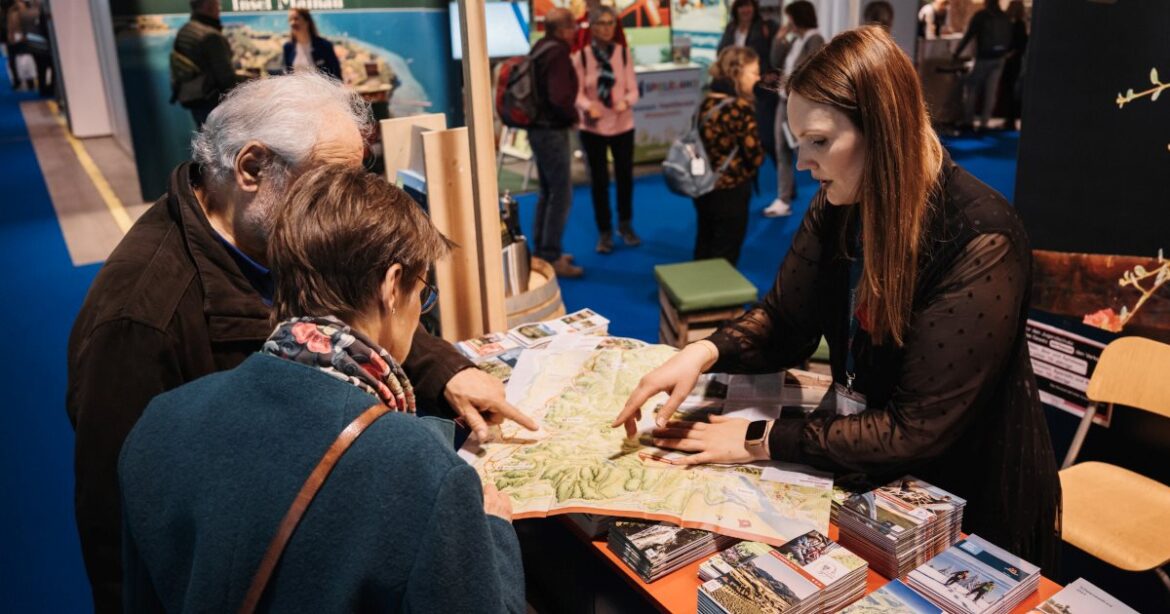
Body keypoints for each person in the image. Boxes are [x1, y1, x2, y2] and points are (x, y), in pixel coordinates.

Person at [67, 72, 537, 614]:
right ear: (251, 168)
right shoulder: (139, 317)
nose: (348, 200)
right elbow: (118, 532)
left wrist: (443, 368)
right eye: (330, 180)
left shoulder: (268, 234)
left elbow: (344, 306)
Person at [612, 27, 1061, 572]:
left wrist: (760, 438)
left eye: (819, 141)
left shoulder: (981, 237)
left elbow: (915, 430)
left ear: (883, 131)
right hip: (869, 467)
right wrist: (701, 353)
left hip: (966, 495)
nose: (802, 162)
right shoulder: (840, 202)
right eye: (799, 140)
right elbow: (786, 321)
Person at [573, 5, 639, 255]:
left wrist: (626, 102)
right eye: (601, 23)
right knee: (599, 182)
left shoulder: (623, 54)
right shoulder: (582, 57)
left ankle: (625, 225)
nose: (607, 28)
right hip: (593, 128)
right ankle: (605, 232)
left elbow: (633, 90)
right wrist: (588, 106)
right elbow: (577, 92)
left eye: (611, 23)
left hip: (623, 125)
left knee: (625, 178)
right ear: (591, 26)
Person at [690, 46, 765, 266]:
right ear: (737, 73)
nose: (758, 78)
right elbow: (755, 156)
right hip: (731, 191)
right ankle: (718, 289)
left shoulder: (705, 102)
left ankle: (697, 286)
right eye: (754, 72)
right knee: (726, 253)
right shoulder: (740, 108)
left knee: (704, 242)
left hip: (702, 187)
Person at [529, 7, 582, 278]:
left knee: (548, 191)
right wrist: (572, 116)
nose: (575, 32)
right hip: (551, 130)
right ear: (563, 29)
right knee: (561, 194)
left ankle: (542, 251)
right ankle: (551, 254)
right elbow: (559, 97)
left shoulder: (540, 47)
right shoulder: (558, 53)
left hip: (538, 129)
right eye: (573, 27)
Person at [763, 0, 823, 218]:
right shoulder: (796, 40)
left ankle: (829, 198)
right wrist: (780, 37)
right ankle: (783, 198)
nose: (788, 22)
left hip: (800, 107)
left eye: (790, 18)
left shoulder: (815, 39)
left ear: (798, 18)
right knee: (782, 150)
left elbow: (810, 73)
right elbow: (775, 59)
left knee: (807, 152)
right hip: (784, 102)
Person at [718, 0, 777, 192]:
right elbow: (721, 53)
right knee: (738, 138)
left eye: (749, 5)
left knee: (767, 139)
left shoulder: (766, 27)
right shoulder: (731, 28)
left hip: (760, 92)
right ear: (736, 9)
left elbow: (775, 55)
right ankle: (747, 182)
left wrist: (772, 74)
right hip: (734, 92)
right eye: (742, 6)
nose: (746, 10)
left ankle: (786, 183)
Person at [170, 0, 245, 128]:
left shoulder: (185, 30)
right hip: (213, 104)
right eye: (217, 4)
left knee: (204, 135)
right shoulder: (211, 36)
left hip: (193, 98)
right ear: (207, 6)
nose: (219, 8)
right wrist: (252, 79)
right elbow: (227, 80)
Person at [953, 0, 1013, 132]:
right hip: (999, 58)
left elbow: (969, 35)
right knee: (991, 91)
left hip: (983, 57)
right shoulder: (1004, 17)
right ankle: (984, 122)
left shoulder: (981, 16)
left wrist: (957, 52)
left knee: (972, 87)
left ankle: (968, 121)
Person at [283, 8, 341, 80]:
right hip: (296, 87)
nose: (292, 23)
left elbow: (336, 74)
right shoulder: (288, 48)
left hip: (320, 86)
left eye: (296, 19)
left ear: (307, 21)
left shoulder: (324, 46)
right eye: (290, 20)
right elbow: (287, 74)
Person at [997, 1, 1028, 130]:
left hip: (1013, 62)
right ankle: (1009, 120)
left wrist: (1007, 55)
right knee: (1010, 91)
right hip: (1014, 61)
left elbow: (1019, 45)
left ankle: (1010, 120)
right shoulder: (1016, 24)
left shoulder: (1018, 25)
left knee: (1011, 90)